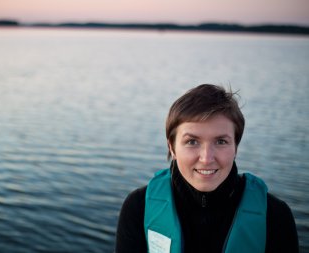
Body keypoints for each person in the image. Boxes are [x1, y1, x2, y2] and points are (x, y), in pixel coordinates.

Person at [115, 84, 298, 253]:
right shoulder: (139, 207)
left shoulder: (274, 215)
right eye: (192, 141)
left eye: (221, 141)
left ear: (236, 147)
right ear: (171, 147)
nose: (206, 158)